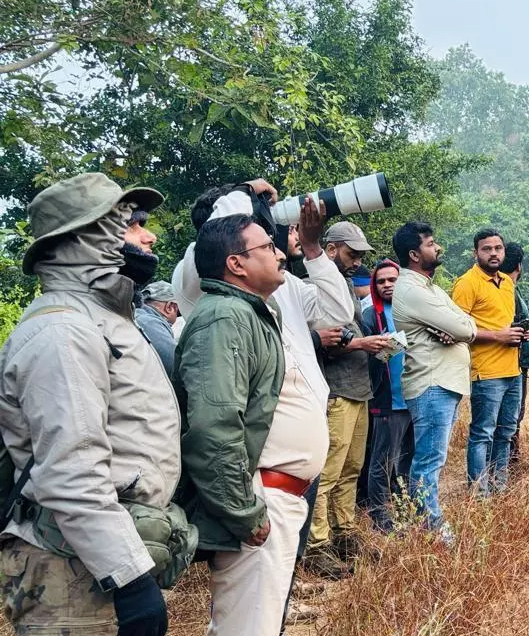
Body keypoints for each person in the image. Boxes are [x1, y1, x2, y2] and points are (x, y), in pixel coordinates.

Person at [0, 172, 179, 636]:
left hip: (91, 560)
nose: (146, 235)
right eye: (127, 223)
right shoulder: (62, 332)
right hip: (67, 565)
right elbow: (70, 472)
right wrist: (129, 577)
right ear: (85, 241)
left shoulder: (99, 319)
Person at [175, 213, 319, 636]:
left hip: (275, 497)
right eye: (267, 246)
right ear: (236, 263)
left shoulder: (247, 314)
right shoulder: (225, 319)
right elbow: (212, 426)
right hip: (260, 500)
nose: (281, 253)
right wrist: (246, 511)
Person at [172, 180, 356, 583]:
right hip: (259, 481)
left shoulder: (286, 287)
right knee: (252, 603)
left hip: (297, 476)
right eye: (260, 236)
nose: (273, 242)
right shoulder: (196, 281)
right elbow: (214, 425)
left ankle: (281, 629)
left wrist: (312, 248)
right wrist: (243, 192)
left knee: (279, 581)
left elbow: (339, 313)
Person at [305, 221, 390, 570]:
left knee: (352, 469)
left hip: (358, 387)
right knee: (328, 471)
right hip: (336, 389)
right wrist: (361, 343)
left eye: (359, 256)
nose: (356, 261)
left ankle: (345, 534)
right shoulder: (316, 286)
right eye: (351, 253)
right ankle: (317, 545)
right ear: (331, 249)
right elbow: (321, 340)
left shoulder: (343, 285)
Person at [391, 222, 476, 543]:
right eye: (430, 243)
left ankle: (425, 525)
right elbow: (467, 331)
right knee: (428, 461)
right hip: (431, 385)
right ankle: (433, 532)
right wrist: (458, 329)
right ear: (414, 254)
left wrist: (458, 328)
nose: (437, 247)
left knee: (432, 459)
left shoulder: (430, 287)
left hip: (443, 384)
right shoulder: (412, 290)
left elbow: (466, 322)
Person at [451, 230, 527, 494]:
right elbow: (454, 330)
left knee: (506, 432)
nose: (493, 253)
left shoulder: (507, 282)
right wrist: (498, 335)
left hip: (512, 369)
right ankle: (478, 493)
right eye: (487, 249)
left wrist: (520, 332)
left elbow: (502, 322)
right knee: (483, 433)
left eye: (498, 248)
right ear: (476, 253)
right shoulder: (466, 283)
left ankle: (499, 487)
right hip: (485, 372)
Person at [360, 259, 414, 532]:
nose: (387, 285)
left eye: (392, 280)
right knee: (382, 461)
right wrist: (398, 344)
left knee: (408, 459)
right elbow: (365, 357)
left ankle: (406, 508)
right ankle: (379, 515)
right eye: (381, 281)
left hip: (415, 397)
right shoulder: (371, 316)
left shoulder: (413, 309)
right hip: (387, 399)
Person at [498, 242, 529, 468]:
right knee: (510, 416)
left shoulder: (511, 288)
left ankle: (511, 460)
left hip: (516, 362)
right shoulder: (507, 289)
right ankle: (507, 463)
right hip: (509, 364)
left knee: (512, 416)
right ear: (519, 266)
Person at [135, 279, 181, 375]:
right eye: (177, 312)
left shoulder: (136, 316)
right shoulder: (149, 323)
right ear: (170, 307)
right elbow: (177, 367)